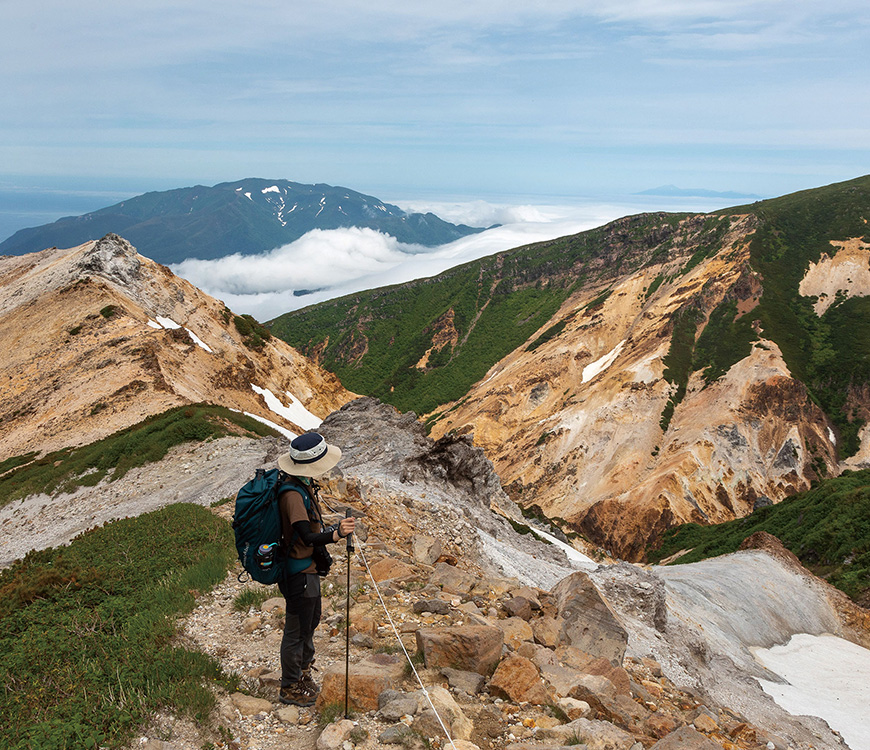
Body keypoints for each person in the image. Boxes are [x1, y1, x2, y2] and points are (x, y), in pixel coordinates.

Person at [275, 431, 355, 707]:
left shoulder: (302, 485)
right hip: (298, 571)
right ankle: (290, 687)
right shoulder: (293, 495)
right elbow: (305, 536)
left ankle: (303, 675)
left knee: (311, 621)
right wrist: (336, 534)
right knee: (297, 629)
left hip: (305, 569)